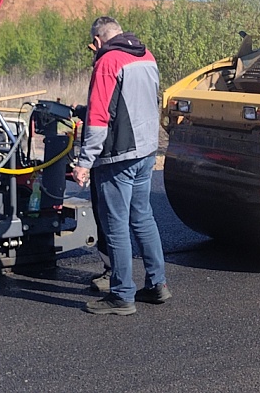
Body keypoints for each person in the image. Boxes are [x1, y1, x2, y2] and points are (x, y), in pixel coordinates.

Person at [71, 17, 168, 315]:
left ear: (98, 41)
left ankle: (122, 294)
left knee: (115, 225)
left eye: (93, 47)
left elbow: (100, 119)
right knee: (143, 218)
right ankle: (157, 284)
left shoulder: (107, 62)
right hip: (145, 151)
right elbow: (133, 103)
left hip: (117, 157)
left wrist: (84, 163)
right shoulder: (146, 56)